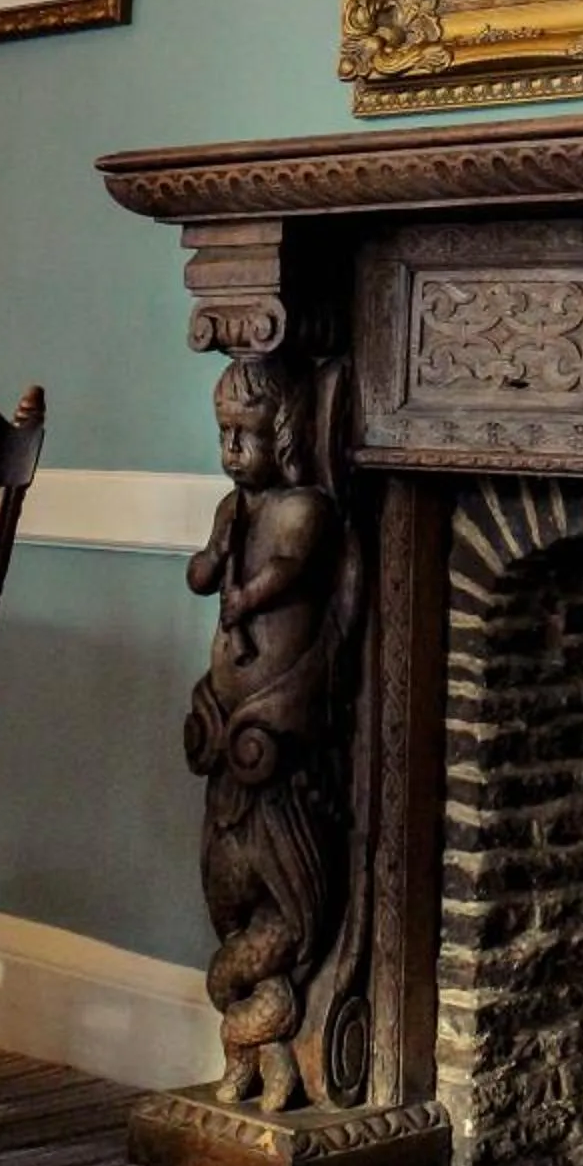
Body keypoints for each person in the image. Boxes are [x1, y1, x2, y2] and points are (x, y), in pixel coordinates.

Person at [183, 357, 354, 1114]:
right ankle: (266, 1051)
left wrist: (246, 592)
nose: (232, 450)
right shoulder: (234, 508)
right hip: (230, 738)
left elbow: (293, 566)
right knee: (229, 892)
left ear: (284, 438)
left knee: (281, 901)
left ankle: (263, 1045)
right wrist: (213, 561)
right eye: (223, 435)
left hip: (279, 732)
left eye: (245, 436)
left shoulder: (305, 509)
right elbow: (200, 574)